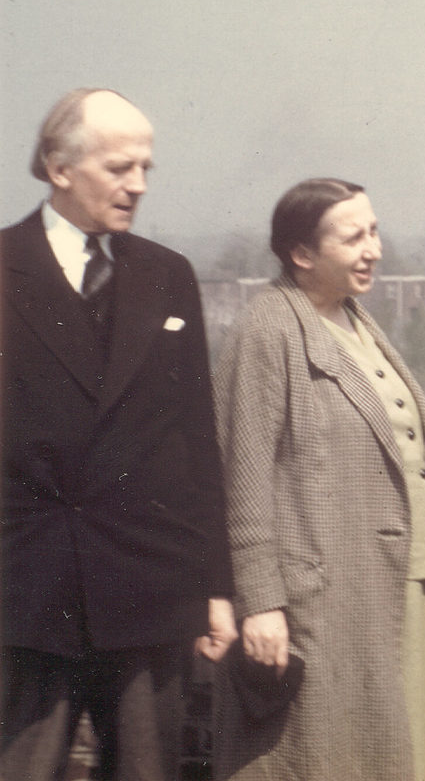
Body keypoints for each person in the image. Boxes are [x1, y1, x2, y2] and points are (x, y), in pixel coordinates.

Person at [212, 178, 425, 780]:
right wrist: (261, 603)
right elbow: (242, 480)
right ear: (302, 255)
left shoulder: (355, 320)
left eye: (374, 231)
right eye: (354, 237)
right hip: (328, 606)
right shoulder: (267, 331)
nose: (374, 248)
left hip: (410, 589)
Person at [1, 88, 236, 780]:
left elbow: (197, 446)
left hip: (147, 589)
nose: (136, 185)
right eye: (117, 167)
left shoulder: (168, 277)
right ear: (57, 166)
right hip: (27, 592)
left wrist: (214, 586)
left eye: (145, 169)